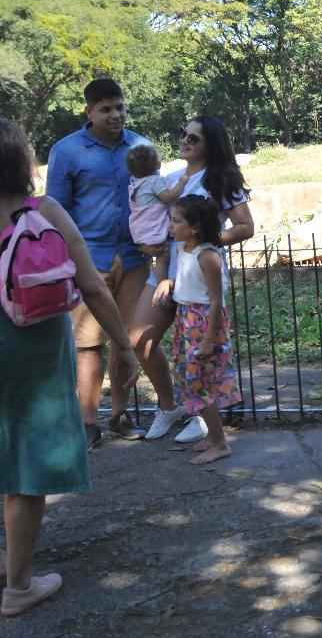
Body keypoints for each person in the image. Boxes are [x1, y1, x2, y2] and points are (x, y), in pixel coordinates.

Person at [0, 118, 135, 616]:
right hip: (33, 352)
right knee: (27, 467)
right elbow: (95, 288)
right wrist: (122, 345)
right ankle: (18, 586)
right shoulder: (45, 211)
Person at [128, 116, 254, 445]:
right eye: (183, 134)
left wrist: (203, 241)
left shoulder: (222, 179)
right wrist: (152, 249)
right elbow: (157, 224)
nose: (185, 141)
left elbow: (245, 226)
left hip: (197, 279)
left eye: (194, 138)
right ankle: (170, 407)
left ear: (210, 144)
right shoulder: (171, 179)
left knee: (196, 353)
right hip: (165, 272)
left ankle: (200, 417)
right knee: (140, 341)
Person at [45, 78, 150, 447]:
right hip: (89, 260)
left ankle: (120, 414)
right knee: (89, 343)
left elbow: (152, 198)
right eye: (106, 109)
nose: (115, 114)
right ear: (89, 111)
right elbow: (55, 210)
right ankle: (89, 422)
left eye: (119, 107)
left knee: (127, 339)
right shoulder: (67, 151)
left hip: (135, 257)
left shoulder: (140, 145)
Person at [153, 196, 241, 465]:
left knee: (201, 385)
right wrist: (170, 282)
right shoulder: (184, 249)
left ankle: (220, 443)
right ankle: (214, 437)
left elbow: (216, 301)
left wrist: (208, 340)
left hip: (203, 325)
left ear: (195, 228)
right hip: (186, 320)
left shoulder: (207, 255)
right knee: (190, 382)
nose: (171, 225)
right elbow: (190, 283)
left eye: (176, 221)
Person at [126, 144, 189, 246]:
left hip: (140, 231)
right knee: (163, 255)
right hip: (154, 231)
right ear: (157, 164)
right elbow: (169, 197)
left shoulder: (134, 183)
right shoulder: (154, 181)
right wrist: (181, 183)